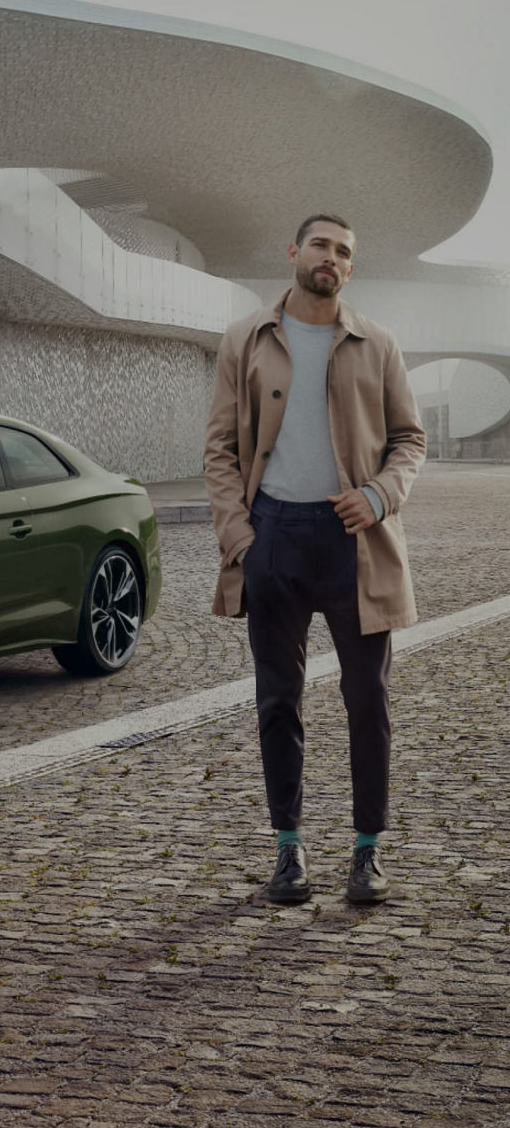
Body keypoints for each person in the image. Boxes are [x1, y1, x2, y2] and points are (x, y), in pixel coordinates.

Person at [203, 214, 425, 904]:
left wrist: (379, 495)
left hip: (352, 541)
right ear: (295, 251)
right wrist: (242, 537)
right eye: (322, 245)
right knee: (278, 701)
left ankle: (367, 852)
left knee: (369, 698)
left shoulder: (377, 343)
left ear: (350, 271)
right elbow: (218, 450)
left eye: (345, 253)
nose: (332, 258)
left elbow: (410, 439)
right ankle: (289, 851)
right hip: (272, 537)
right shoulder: (245, 338)